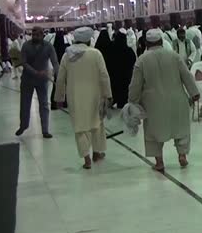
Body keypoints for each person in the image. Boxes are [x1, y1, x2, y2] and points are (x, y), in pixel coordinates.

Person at [128, 29, 200, 172]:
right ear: (161, 41)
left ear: (147, 44)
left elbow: (135, 84)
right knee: (181, 129)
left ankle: (159, 162)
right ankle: (182, 156)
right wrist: (194, 93)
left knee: (153, 133)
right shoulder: (174, 55)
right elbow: (186, 75)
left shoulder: (141, 60)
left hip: (153, 104)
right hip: (177, 99)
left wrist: (133, 100)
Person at [54, 27, 112, 169]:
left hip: (75, 96)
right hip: (95, 95)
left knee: (80, 127)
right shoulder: (95, 53)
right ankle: (97, 153)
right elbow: (104, 75)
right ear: (88, 39)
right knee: (96, 124)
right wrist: (108, 94)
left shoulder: (67, 55)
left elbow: (60, 78)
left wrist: (59, 97)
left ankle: (86, 158)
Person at [15, 27, 59, 138]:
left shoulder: (48, 46)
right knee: (25, 104)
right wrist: (35, 72)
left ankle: (45, 130)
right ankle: (23, 125)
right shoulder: (26, 45)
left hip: (42, 80)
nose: (35, 37)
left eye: (37, 35)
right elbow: (24, 62)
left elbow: (55, 62)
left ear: (42, 35)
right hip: (27, 79)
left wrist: (57, 75)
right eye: (33, 35)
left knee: (44, 104)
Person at [108, 31, 137, 108]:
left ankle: (115, 101)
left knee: (115, 88)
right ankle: (123, 103)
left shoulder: (111, 50)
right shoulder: (128, 50)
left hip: (114, 75)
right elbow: (133, 59)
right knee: (124, 90)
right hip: (126, 75)